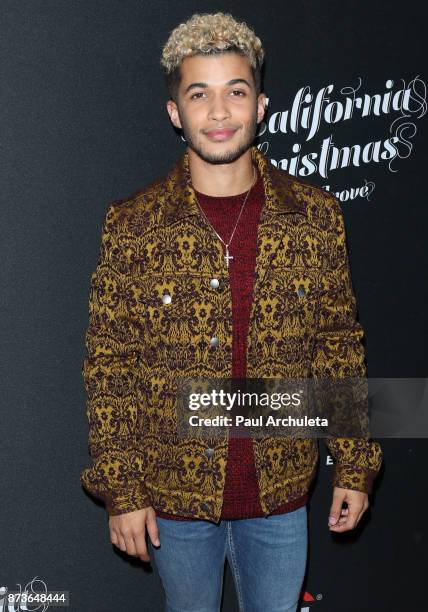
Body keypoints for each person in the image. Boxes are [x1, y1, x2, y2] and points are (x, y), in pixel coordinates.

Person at [80, 12, 383, 612]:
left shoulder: (316, 218)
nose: (219, 113)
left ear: (262, 105)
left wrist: (354, 464)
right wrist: (121, 488)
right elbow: (110, 366)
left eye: (235, 92)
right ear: (176, 113)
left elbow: (337, 350)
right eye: (200, 95)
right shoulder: (135, 225)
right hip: (173, 500)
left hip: (281, 494)